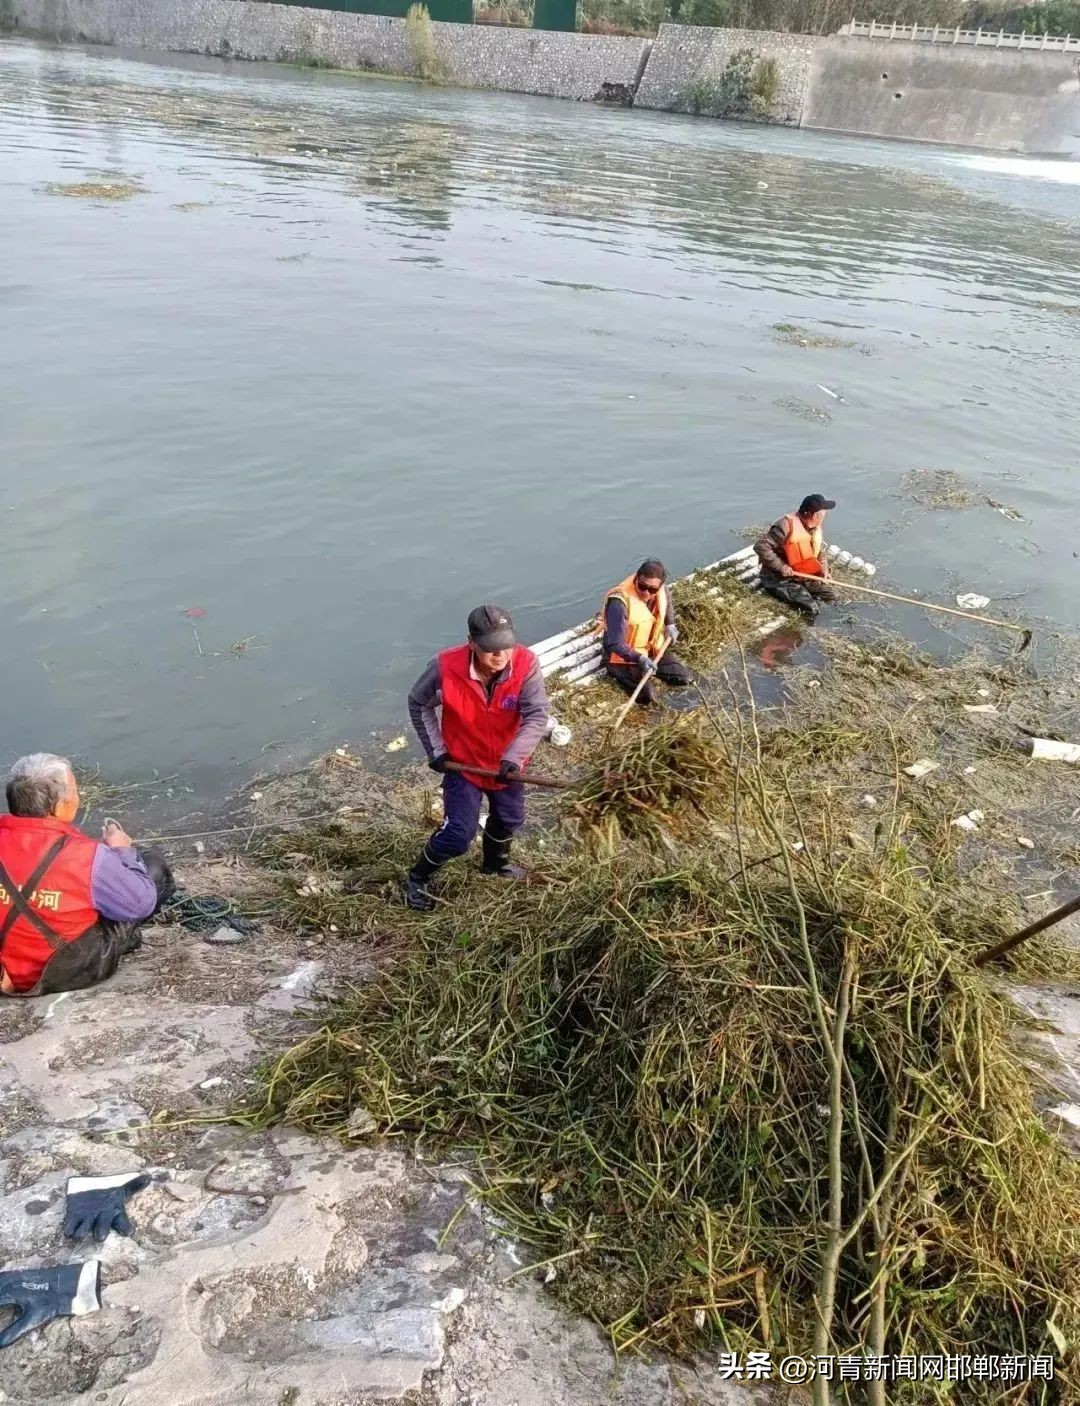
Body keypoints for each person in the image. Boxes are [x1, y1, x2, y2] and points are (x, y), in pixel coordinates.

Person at [404, 605, 550, 912]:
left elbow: (536, 714)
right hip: (463, 765)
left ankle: (494, 866)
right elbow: (419, 704)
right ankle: (417, 878)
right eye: (491, 650)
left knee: (510, 819)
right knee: (459, 834)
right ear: (472, 642)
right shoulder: (445, 667)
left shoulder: (525, 664)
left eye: (506, 647)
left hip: (506, 768)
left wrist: (514, 757)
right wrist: (436, 751)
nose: (500, 656)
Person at [0, 754, 175, 998]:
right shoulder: (87, 855)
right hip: (67, 970)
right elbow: (142, 904)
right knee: (153, 869)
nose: (78, 797)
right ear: (58, 807)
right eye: (74, 791)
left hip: (4, 970)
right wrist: (122, 850)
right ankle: (125, 941)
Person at [602, 559, 695, 708]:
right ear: (636, 579)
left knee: (685, 678)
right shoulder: (619, 603)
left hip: (651, 648)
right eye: (642, 586)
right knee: (648, 696)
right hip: (622, 657)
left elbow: (667, 604)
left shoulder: (660, 590)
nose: (646, 593)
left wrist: (670, 624)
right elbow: (615, 644)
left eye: (652, 590)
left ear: (659, 586)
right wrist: (640, 659)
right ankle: (617, 674)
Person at [753, 494, 840, 619]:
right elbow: (760, 546)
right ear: (814, 515)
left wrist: (824, 570)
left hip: (804, 575)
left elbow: (820, 550)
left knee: (832, 596)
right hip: (779, 578)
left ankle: (802, 593)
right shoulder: (785, 527)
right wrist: (782, 567)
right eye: (824, 511)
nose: (826, 514)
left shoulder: (815, 528)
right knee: (811, 609)